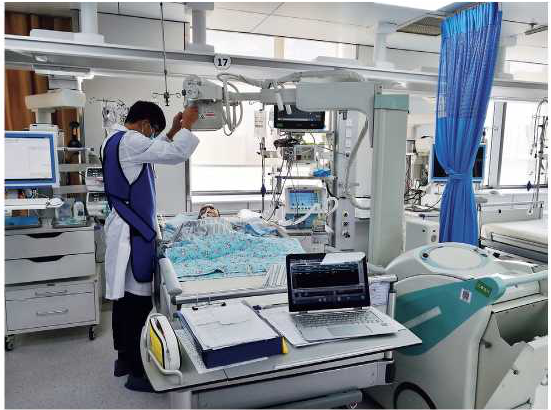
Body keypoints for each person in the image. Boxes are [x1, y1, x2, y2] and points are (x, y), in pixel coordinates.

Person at [101, 101, 199, 392]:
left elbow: (154, 149)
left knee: (122, 300)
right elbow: (174, 154)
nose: (151, 137)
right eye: (152, 131)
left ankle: (123, 360)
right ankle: (138, 373)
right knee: (138, 304)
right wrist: (188, 125)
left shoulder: (114, 139)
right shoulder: (131, 141)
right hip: (133, 233)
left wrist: (171, 131)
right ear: (144, 125)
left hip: (123, 226)